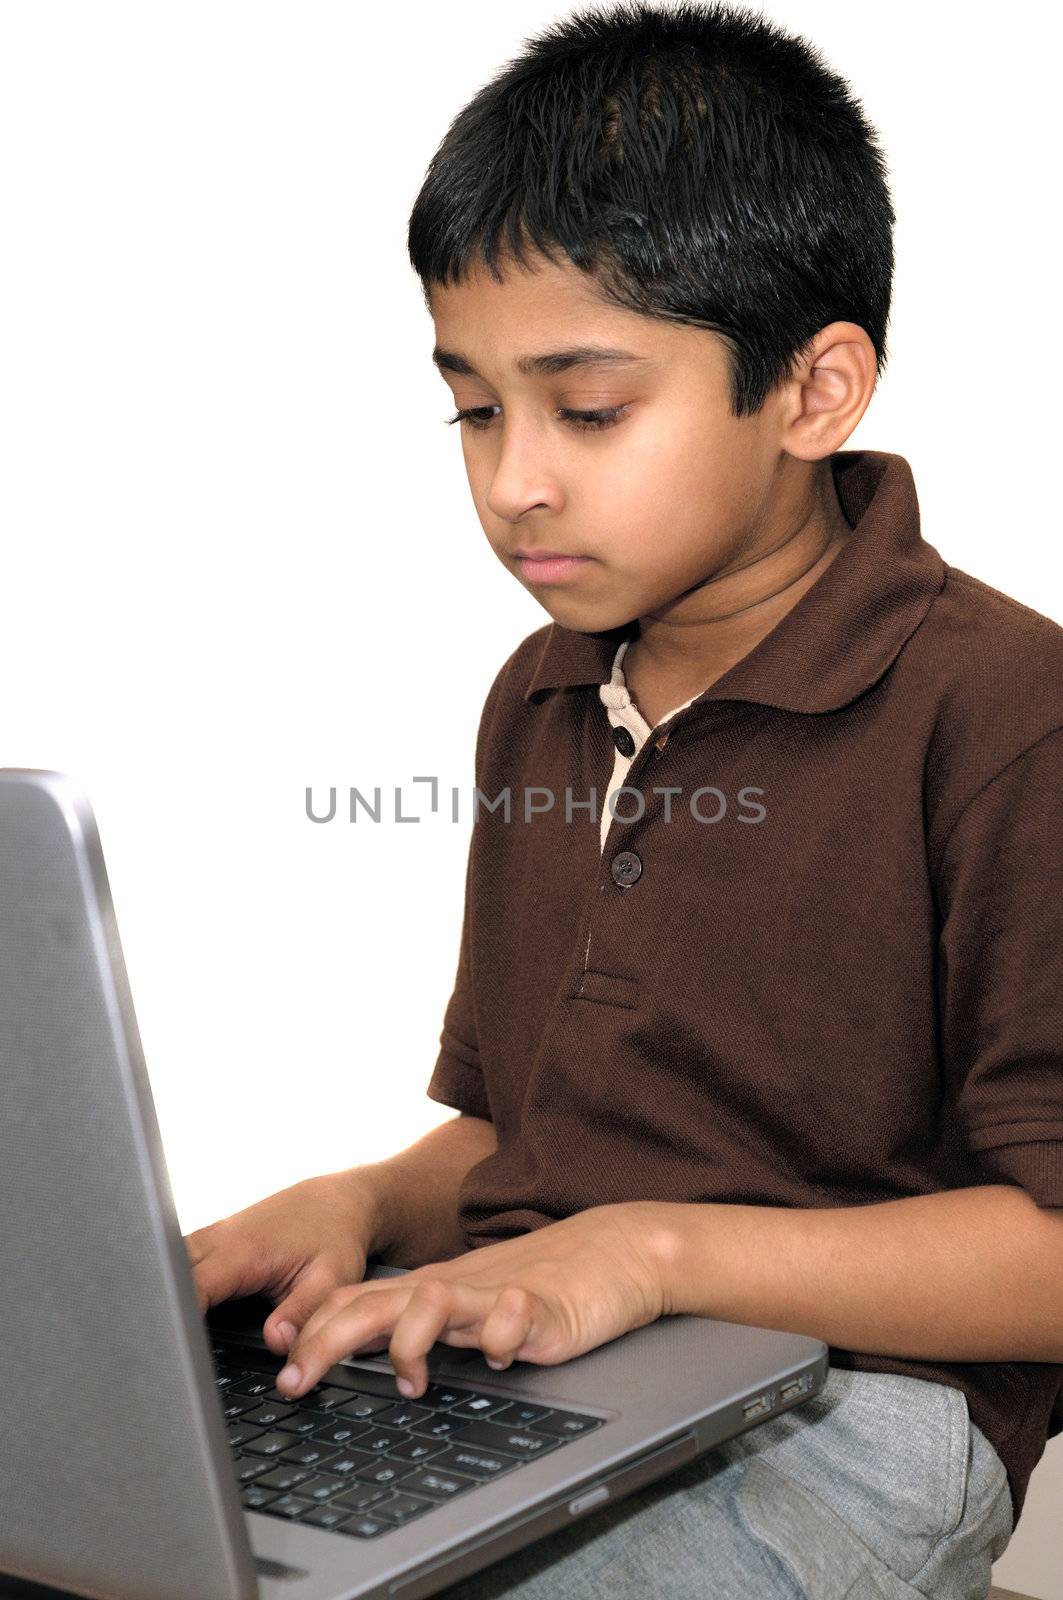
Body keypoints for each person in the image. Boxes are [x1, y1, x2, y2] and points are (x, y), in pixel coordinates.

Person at [184, 4, 1063, 1595]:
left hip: (854, 1414)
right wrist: (363, 1202)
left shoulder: (1005, 713)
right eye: (472, 407)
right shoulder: (542, 695)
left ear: (813, 393)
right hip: (541, 1363)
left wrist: (654, 1256)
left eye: (587, 410)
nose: (514, 476)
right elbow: (534, 1128)